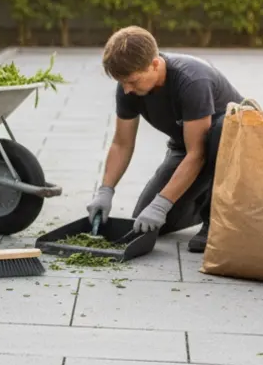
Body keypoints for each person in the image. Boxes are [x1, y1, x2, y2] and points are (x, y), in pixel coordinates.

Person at [86, 27, 243, 253]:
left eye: (133, 81)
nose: (127, 89)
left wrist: (162, 203)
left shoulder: (192, 80)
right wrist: (105, 191)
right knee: (144, 221)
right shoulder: (129, 87)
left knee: (220, 131)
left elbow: (197, 154)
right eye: (123, 82)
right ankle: (204, 197)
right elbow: (122, 144)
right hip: (187, 149)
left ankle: (216, 220)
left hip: (234, 151)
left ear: (155, 64)